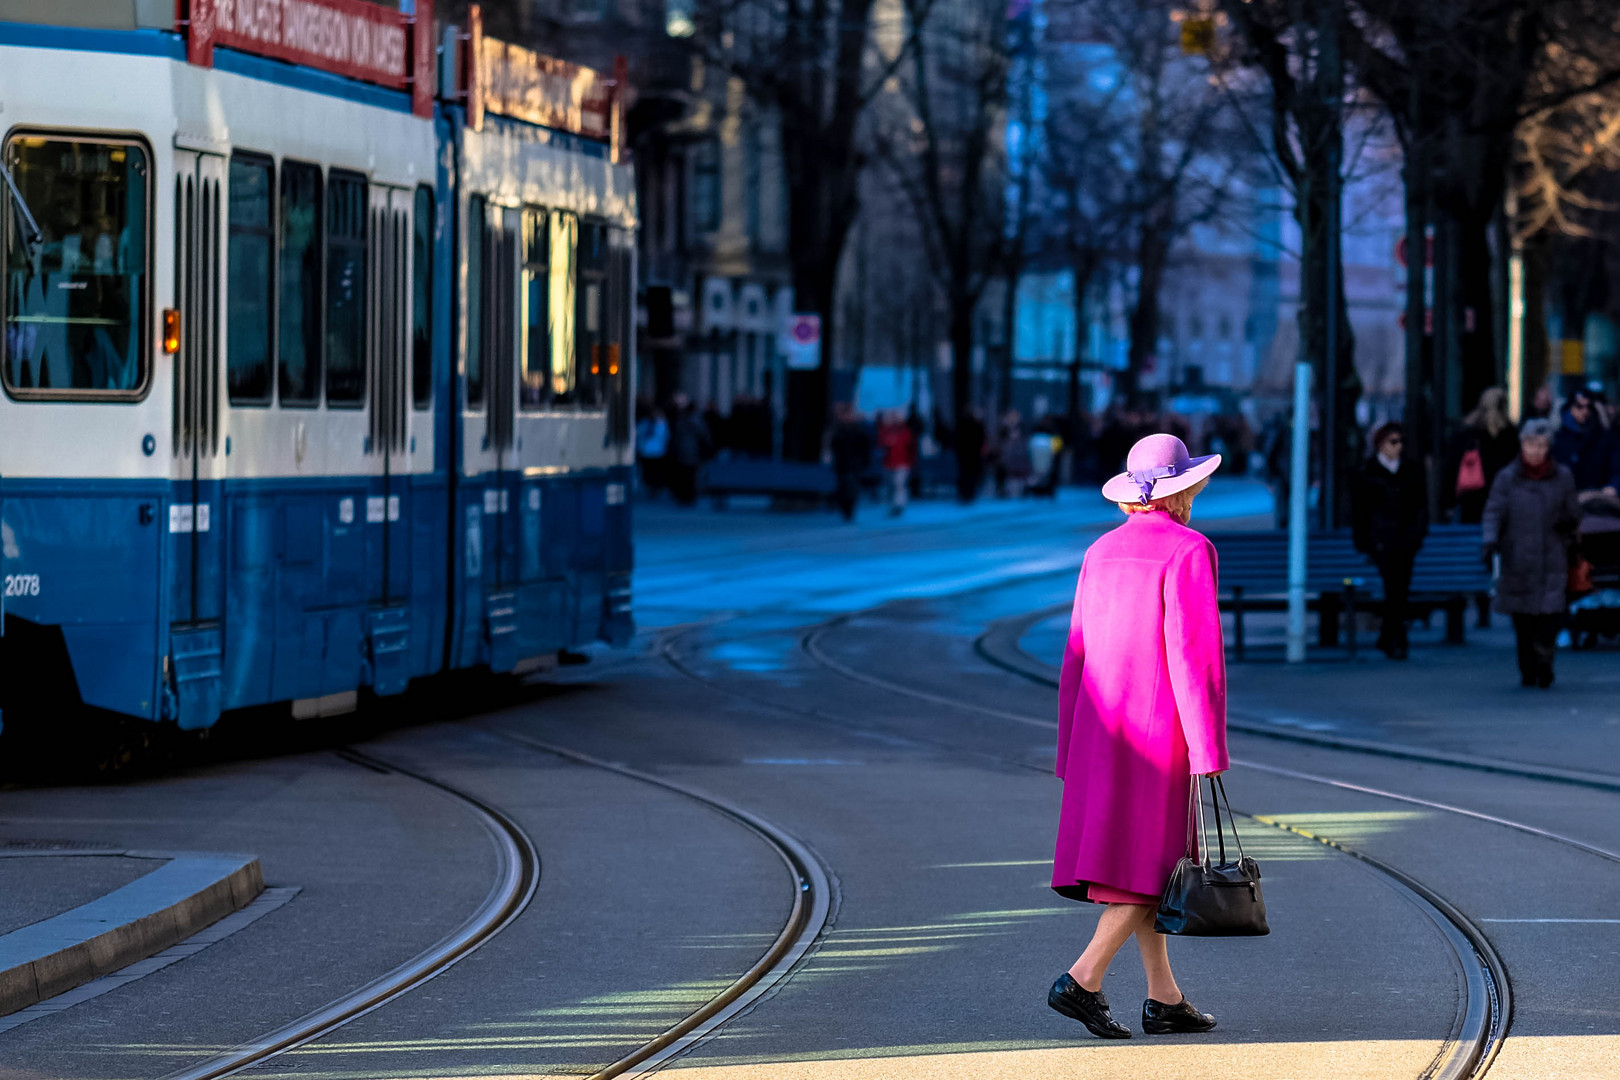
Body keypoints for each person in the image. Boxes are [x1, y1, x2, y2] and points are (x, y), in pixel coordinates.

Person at [1048, 433, 1225, 1041]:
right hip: (1159, 736)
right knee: (1150, 864)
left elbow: (1076, 651)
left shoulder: (1101, 551)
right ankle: (1083, 979)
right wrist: (1207, 749)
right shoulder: (1190, 550)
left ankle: (1163, 998)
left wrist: (1069, 739)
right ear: (1185, 490)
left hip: (1101, 730)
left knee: (1146, 862)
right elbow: (1193, 658)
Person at [1483, 418, 1580, 688]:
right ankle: (1528, 667)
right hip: (1518, 557)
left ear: (1548, 446)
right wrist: (1490, 542)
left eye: (1541, 445)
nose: (1535, 451)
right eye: (1530, 444)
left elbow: (1573, 512)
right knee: (1523, 620)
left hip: (1553, 555)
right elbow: (1494, 511)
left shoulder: (1562, 477)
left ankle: (1545, 660)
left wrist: (1569, 524)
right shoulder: (1507, 477)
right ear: (1522, 445)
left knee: (1550, 617)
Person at [1351, 422, 1429, 660]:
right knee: (1394, 587)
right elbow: (1360, 512)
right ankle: (1396, 638)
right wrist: (1365, 542)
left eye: (1401, 442)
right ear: (1380, 444)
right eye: (1393, 442)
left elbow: (1420, 506)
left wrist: (1417, 535)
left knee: (1399, 588)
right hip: (1381, 540)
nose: (1398, 447)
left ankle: (1389, 637)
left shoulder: (1410, 470)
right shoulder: (1368, 472)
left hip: (1405, 540)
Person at [1447, 387, 1520, 524]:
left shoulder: (1467, 431)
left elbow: (1452, 468)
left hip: (1472, 495)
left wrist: (1448, 501)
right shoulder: (1510, 434)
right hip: (1502, 496)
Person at [1551, 388, 1620, 497]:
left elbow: (1616, 468)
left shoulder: (1605, 438)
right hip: (1564, 500)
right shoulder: (1558, 438)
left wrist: (1613, 486)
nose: (1585, 411)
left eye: (1589, 407)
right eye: (1579, 406)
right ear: (1570, 407)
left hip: (1595, 500)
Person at [829, 403, 872, 522]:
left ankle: (850, 509)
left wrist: (865, 461)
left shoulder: (859, 431)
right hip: (841, 463)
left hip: (854, 464)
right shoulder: (838, 430)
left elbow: (865, 448)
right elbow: (833, 446)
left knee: (852, 487)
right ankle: (844, 508)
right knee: (842, 486)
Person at [668, 394, 710, 507]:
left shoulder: (681, 421)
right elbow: (704, 436)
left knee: (684, 475)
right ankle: (689, 496)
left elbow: (675, 437)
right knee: (690, 475)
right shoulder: (696, 422)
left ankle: (684, 496)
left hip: (683, 452)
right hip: (692, 452)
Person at [876, 409, 915, 516]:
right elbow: (881, 445)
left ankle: (899, 504)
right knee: (890, 485)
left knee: (899, 484)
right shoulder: (885, 431)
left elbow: (911, 448)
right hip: (888, 463)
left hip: (903, 463)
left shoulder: (906, 432)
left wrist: (911, 462)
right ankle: (892, 504)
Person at [635, 406, 669, 498]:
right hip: (646, 451)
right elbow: (638, 434)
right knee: (647, 471)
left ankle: (655, 488)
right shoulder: (644, 423)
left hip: (658, 451)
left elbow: (665, 436)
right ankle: (649, 487)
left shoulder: (662, 423)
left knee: (656, 471)